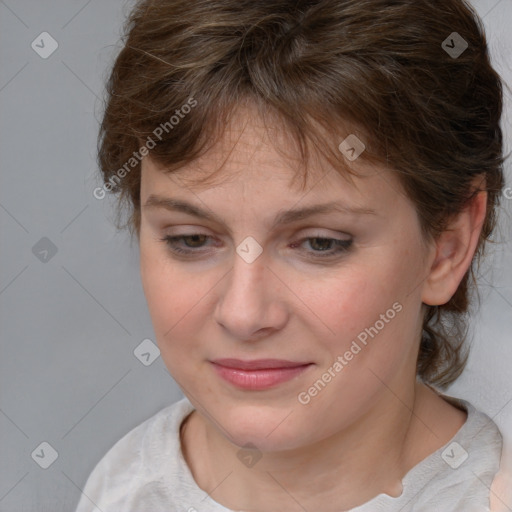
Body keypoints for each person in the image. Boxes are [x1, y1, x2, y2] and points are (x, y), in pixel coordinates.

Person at [77, 0, 509, 510]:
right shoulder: (122, 488)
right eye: (191, 239)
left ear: (447, 247)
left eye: (320, 243)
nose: (243, 314)